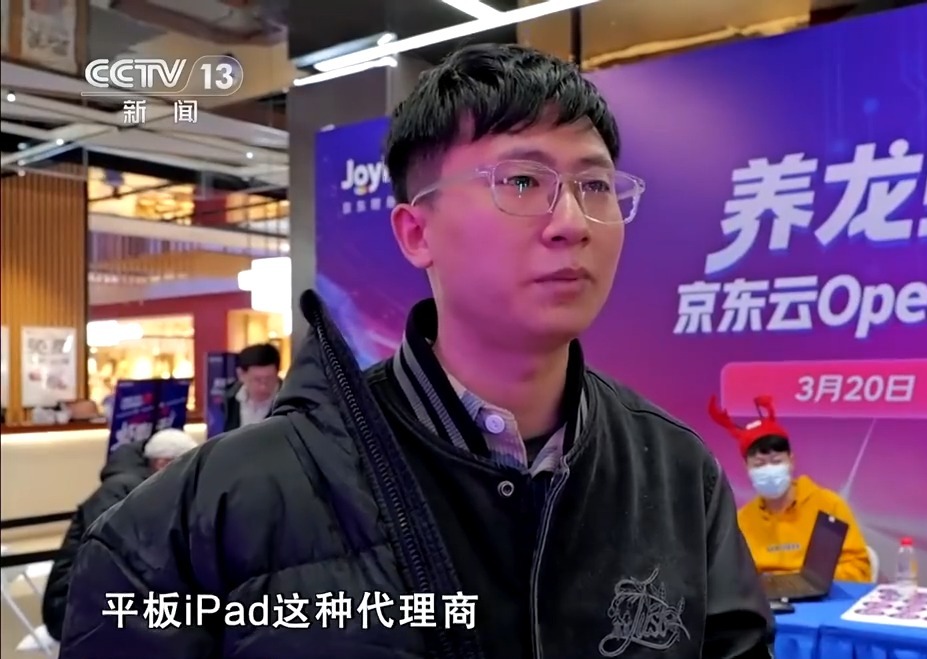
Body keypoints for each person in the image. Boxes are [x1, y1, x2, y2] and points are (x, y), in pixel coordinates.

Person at [59, 44, 771, 659]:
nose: (572, 222)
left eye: (594, 185)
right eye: (523, 181)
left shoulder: (678, 474)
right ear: (415, 232)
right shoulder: (215, 506)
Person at [42, 429, 199, 641]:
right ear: (162, 464)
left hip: (111, 595)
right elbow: (110, 557)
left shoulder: (151, 488)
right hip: (75, 605)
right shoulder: (119, 491)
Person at [710, 395, 873, 583]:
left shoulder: (829, 506)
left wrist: (806, 582)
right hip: (764, 598)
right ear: (746, 467)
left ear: (791, 461)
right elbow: (729, 575)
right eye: (759, 464)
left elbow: (859, 569)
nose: (769, 469)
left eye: (776, 461)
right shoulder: (741, 520)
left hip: (820, 595)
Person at [220, 343, 282, 433]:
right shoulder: (228, 401)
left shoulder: (290, 402)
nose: (263, 387)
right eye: (257, 380)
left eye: (269, 379)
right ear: (241, 375)